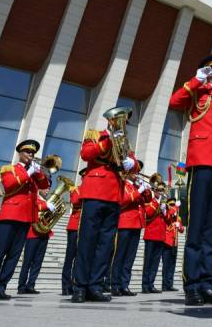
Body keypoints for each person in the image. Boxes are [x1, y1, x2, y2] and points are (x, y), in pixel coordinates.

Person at [169, 52, 212, 306]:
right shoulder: (197, 91)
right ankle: (193, 286)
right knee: (197, 228)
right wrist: (197, 80)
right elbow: (175, 102)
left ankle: (211, 283)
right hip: (202, 162)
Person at [72, 115, 139, 303]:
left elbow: (135, 164)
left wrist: (132, 164)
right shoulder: (96, 135)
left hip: (114, 195)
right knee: (87, 241)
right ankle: (80, 286)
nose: (123, 125)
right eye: (120, 121)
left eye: (125, 122)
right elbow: (86, 154)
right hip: (95, 192)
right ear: (111, 122)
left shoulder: (124, 143)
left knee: (105, 244)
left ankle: (95, 285)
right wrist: (108, 139)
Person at [0, 140, 51, 300]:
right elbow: (9, 185)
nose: (31, 155)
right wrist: (28, 173)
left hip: (26, 218)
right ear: (20, 153)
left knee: (14, 255)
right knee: (0, 253)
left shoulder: (34, 173)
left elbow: (44, 184)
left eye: (33, 153)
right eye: (28, 152)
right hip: (9, 215)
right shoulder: (9, 169)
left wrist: (38, 172)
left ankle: (2, 286)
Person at [110, 162, 149, 296]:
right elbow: (123, 201)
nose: (137, 175)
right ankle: (115, 285)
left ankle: (124, 285)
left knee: (130, 257)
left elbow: (148, 199)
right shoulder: (123, 184)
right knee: (120, 255)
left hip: (137, 224)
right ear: (128, 172)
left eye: (137, 172)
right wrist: (139, 191)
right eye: (135, 172)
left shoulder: (135, 186)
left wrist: (146, 190)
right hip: (125, 224)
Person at [17, 192, 53, 294]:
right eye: (46, 187)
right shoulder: (34, 197)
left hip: (44, 234)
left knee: (38, 262)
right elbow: (34, 207)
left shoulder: (47, 201)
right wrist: (47, 206)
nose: (48, 189)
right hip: (32, 234)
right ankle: (21, 286)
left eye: (49, 186)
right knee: (27, 261)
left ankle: (31, 285)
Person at [141, 181, 173, 293]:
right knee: (148, 261)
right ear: (154, 191)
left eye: (162, 190)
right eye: (159, 190)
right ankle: (145, 285)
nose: (161, 192)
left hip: (160, 235)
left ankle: (151, 284)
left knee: (155, 262)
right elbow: (148, 213)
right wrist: (158, 205)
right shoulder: (150, 201)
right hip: (150, 234)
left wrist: (165, 210)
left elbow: (169, 220)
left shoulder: (164, 203)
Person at [61, 170, 84, 296]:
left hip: (85, 227)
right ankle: (65, 285)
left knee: (80, 258)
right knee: (70, 257)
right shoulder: (76, 189)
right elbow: (75, 201)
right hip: (75, 226)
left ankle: (76, 283)